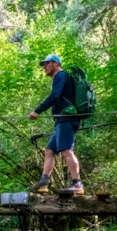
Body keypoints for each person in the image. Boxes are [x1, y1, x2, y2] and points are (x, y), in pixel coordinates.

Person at [28, 54, 84, 195]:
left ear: (55, 63)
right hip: (61, 121)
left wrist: (38, 111)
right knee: (49, 151)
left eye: (46, 64)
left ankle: (77, 184)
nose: (44, 67)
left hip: (67, 119)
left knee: (66, 151)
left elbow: (54, 96)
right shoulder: (61, 77)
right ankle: (43, 183)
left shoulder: (61, 76)